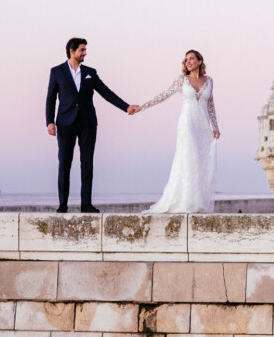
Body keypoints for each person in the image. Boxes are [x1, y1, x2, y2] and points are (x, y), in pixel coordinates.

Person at [46, 37, 137, 213]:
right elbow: (50, 99)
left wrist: (126, 107)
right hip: (65, 123)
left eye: (85, 50)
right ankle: (62, 204)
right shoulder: (57, 71)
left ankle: (86, 204)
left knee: (87, 163)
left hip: (87, 123)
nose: (85, 53)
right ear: (72, 51)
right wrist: (49, 122)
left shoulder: (90, 72)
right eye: (82, 50)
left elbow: (106, 92)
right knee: (64, 163)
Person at [131, 49, 220, 213]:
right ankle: (186, 202)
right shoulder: (181, 80)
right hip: (187, 124)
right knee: (188, 158)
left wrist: (215, 127)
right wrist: (142, 107)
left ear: (200, 61)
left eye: (192, 59)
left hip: (203, 126)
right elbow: (163, 95)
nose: (188, 62)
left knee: (202, 162)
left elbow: (211, 105)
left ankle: (199, 203)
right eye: (186, 60)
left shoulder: (209, 81)